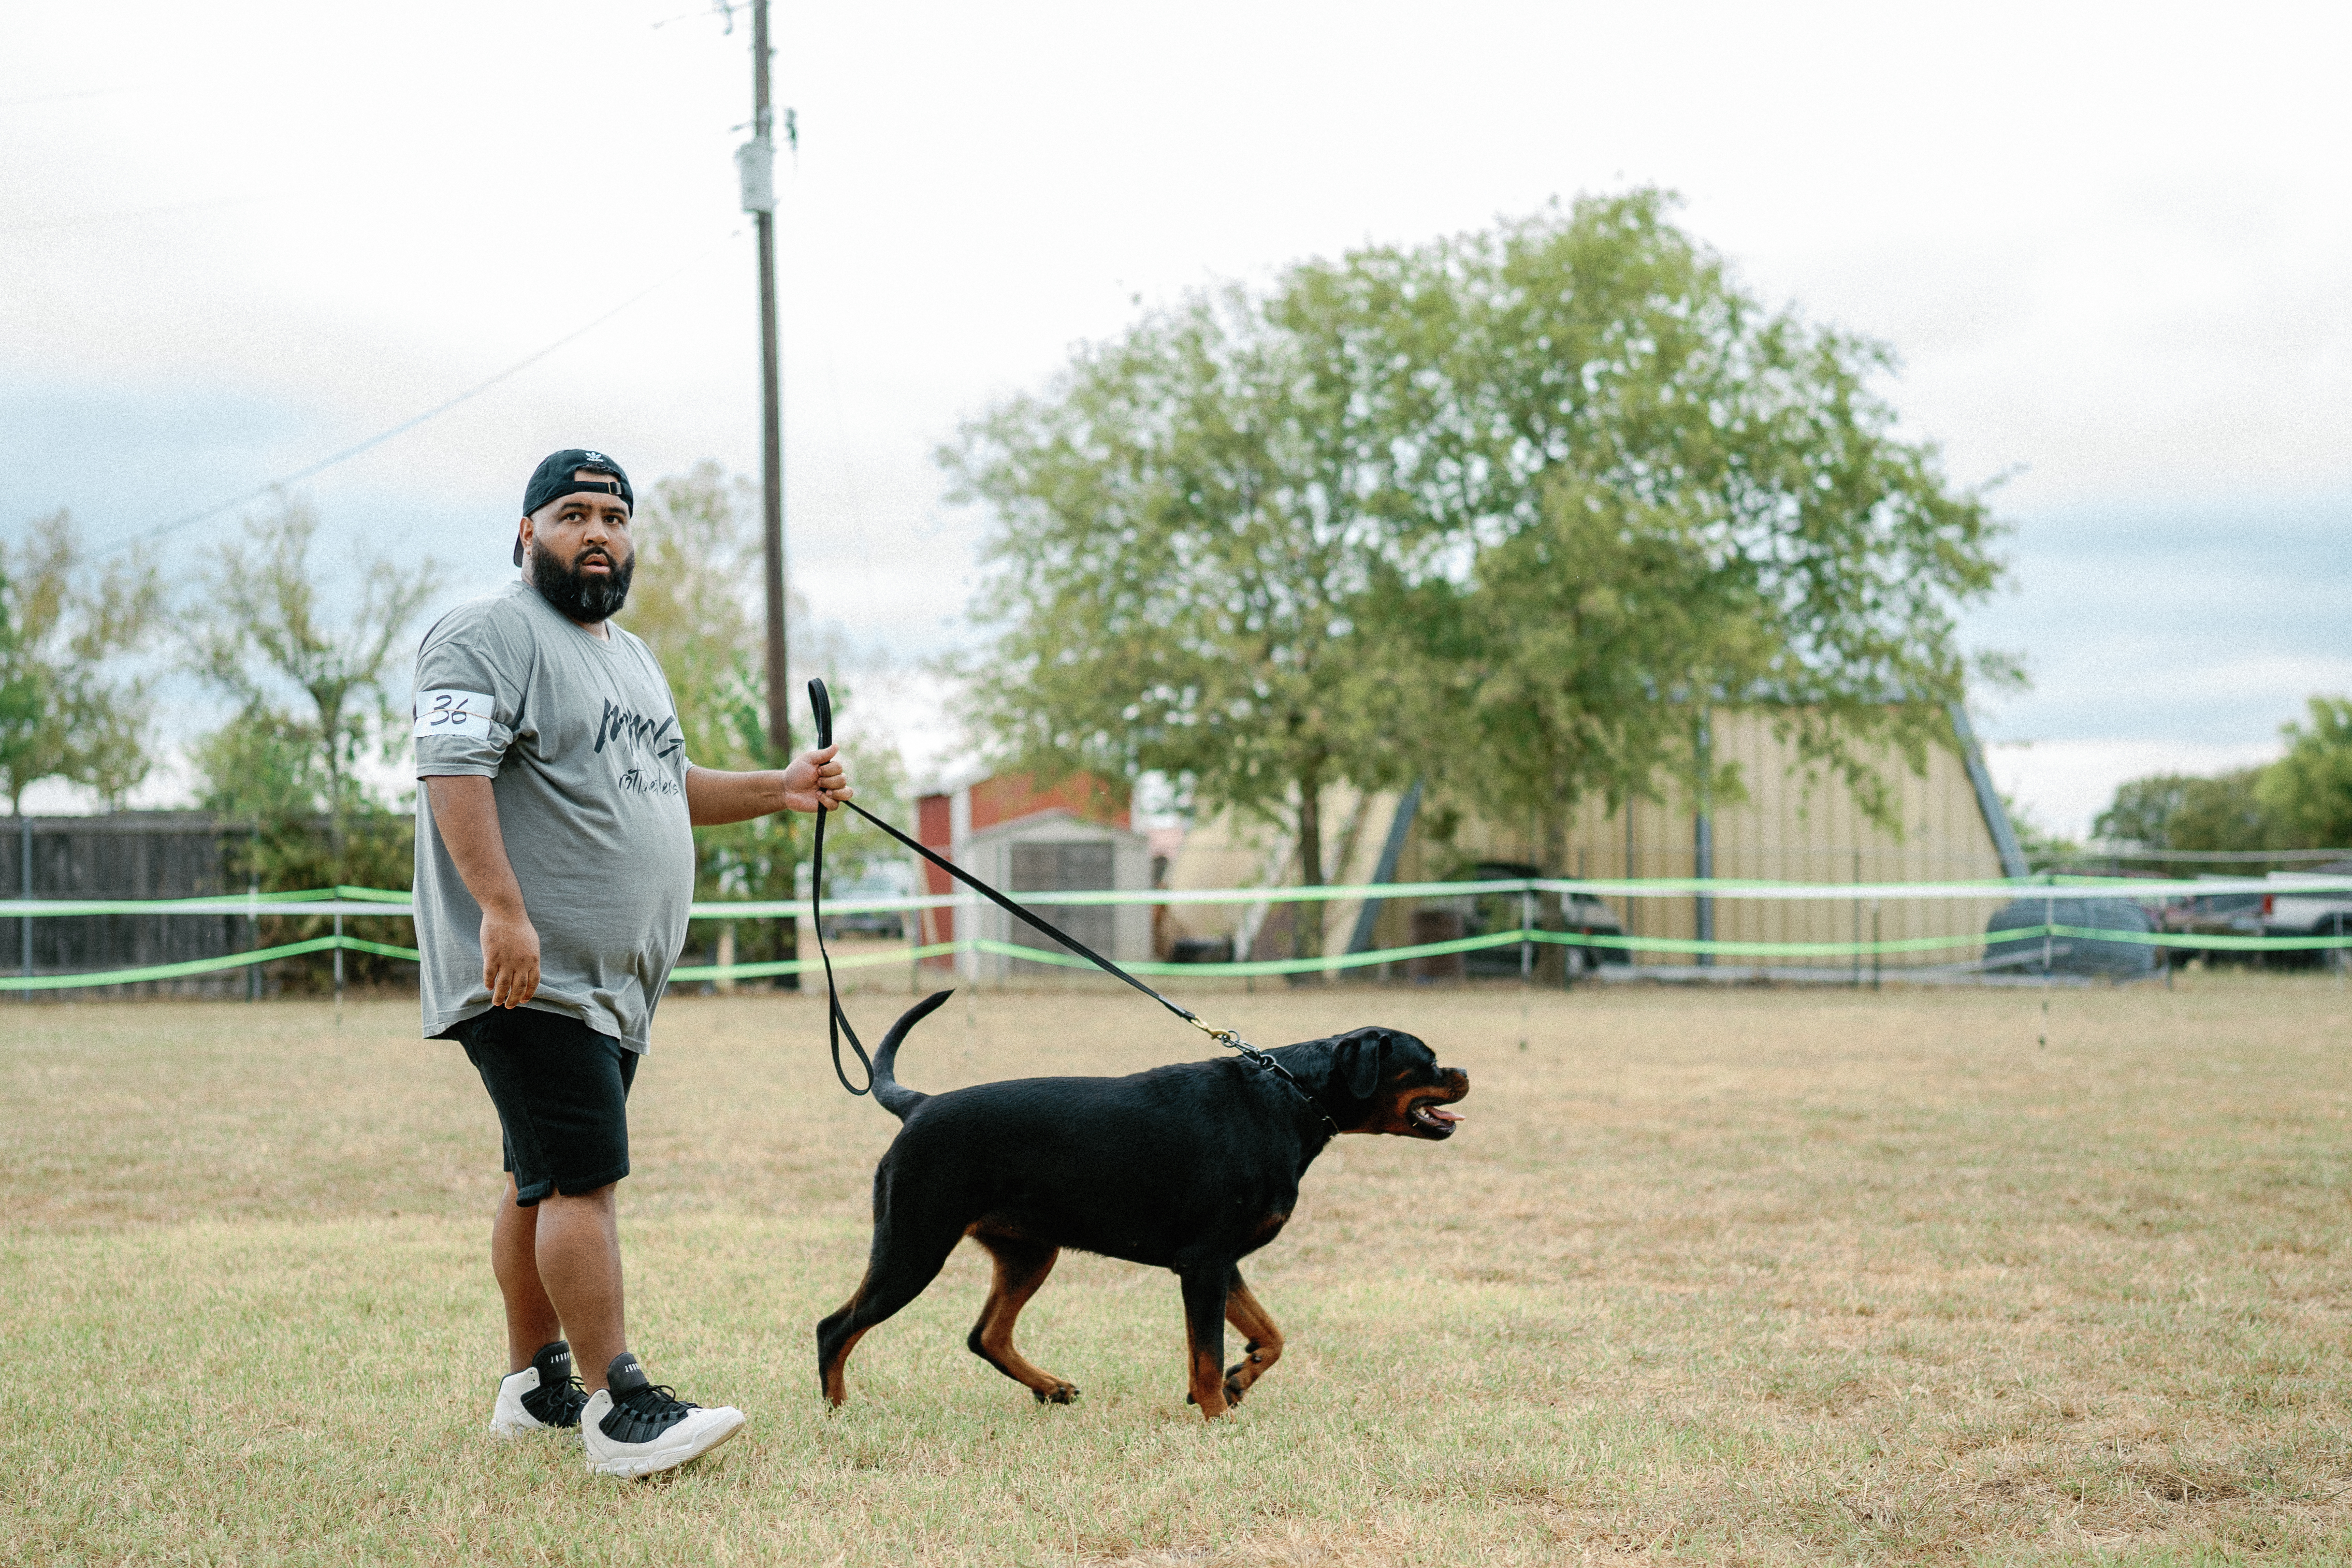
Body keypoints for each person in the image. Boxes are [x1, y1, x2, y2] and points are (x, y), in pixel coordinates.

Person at [412, 448, 849, 1479]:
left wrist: (780, 787)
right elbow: (452, 767)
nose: (597, 530)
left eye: (614, 514)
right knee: (583, 1180)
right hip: (533, 969)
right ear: (526, 535)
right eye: (572, 513)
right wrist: (504, 913)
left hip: (609, 983)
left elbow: (664, 783)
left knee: (541, 1175)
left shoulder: (630, 655)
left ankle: (535, 1382)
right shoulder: (488, 633)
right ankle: (621, 1405)